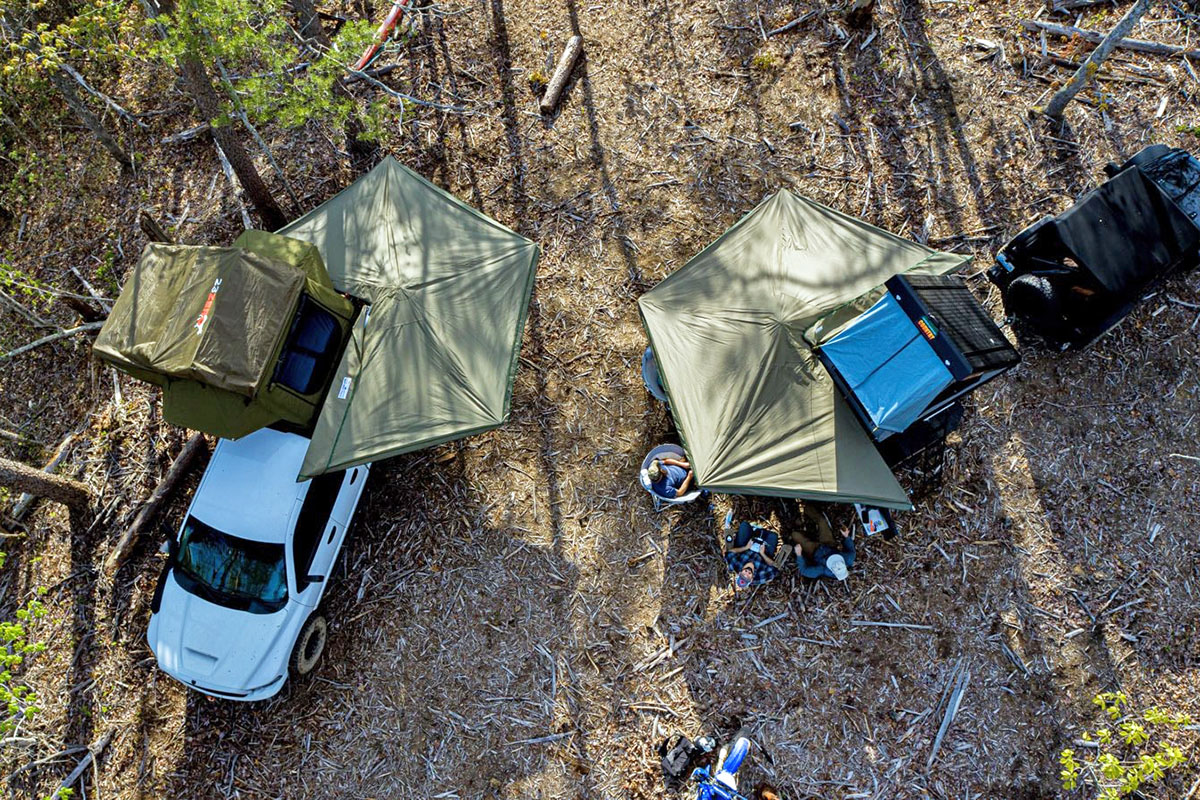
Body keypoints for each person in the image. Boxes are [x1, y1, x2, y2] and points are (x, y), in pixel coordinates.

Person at [793, 503, 856, 582]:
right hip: (829, 544)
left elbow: (804, 570)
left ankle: (802, 528)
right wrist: (846, 537)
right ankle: (805, 506)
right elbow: (851, 549)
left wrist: (799, 555)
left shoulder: (821, 570)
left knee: (795, 535)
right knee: (822, 521)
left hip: (814, 551)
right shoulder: (849, 558)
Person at [724, 521, 783, 590]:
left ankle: (754, 531)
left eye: (743, 574)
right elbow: (774, 568)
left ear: (739, 573)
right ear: (751, 580)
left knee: (744, 525)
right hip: (763, 551)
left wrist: (746, 547)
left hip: (747, 545)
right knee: (774, 535)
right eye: (748, 576)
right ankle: (758, 532)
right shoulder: (759, 577)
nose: (747, 573)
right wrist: (762, 553)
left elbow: (729, 553)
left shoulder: (736, 566)